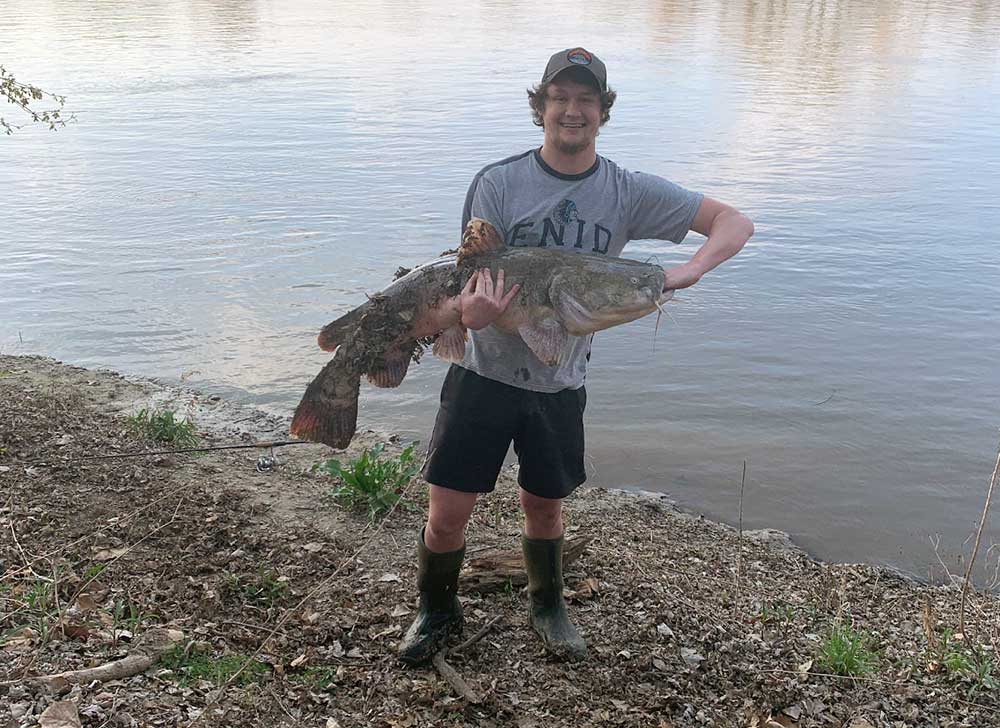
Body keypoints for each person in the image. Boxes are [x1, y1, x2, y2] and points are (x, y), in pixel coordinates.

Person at [398, 47, 754, 665]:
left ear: (602, 111)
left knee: (544, 504)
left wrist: (691, 269)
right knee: (448, 508)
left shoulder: (626, 191)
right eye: (559, 99)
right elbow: (467, 273)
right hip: (482, 376)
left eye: (585, 100)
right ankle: (435, 609)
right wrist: (466, 315)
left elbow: (734, 222)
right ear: (540, 108)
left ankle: (548, 604)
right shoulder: (498, 181)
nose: (572, 111)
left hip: (560, 383)